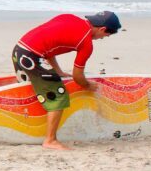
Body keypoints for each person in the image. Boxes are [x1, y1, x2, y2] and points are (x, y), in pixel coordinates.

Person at [13, 11, 122, 151]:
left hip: (19, 51)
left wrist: (58, 72)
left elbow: (48, 46)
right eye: (106, 35)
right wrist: (88, 85)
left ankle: (26, 121)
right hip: (32, 58)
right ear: (102, 29)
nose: (102, 38)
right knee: (58, 95)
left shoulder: (69, 17)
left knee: (30, 88)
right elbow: (78, 77)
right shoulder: (86, 42)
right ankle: (50, 140)